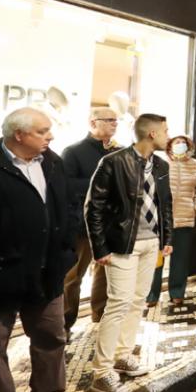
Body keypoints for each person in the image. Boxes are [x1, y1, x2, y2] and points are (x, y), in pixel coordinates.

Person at [0, 108, 78, 392]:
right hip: (0, 279)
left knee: (52, 336)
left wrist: (67, 251)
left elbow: (67, 208)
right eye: (42, 131)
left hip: (47, 274)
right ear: (18, 135)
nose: (50, 136)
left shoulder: (52, 163)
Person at [86, 113, 174, 392]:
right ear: (151, 134)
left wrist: (166, 238)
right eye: (165, 130)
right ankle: (102, 372)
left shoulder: (160, 164)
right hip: (123, 243)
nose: (168, 135)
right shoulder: (113, 162)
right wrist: (99, 248)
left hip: (151, 244)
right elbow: (94, 207)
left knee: (138, 301)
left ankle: (123, 355)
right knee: (118, 303)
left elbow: (165, 204)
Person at [60, 107, 120, 334]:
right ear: (93, 122)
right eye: (110, 120)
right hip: (82, 226)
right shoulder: (73, 152)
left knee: (105, 274)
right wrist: (102, 185)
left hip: (110, 224)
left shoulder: (119, 151)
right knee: (74, 276)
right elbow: (67, 185)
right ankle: (65, 323)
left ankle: (101, 316)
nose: (115, 124)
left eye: (116, 120)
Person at [147, 135, 196, 307]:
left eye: (183, 143)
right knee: (156, 259)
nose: (180, 145)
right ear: (169, 146)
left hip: (185, 218)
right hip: (161, 219)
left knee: (180, 259)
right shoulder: (160, 162)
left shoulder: (195, 164)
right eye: (177, 142)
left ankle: (177, 292)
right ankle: (151, 295)